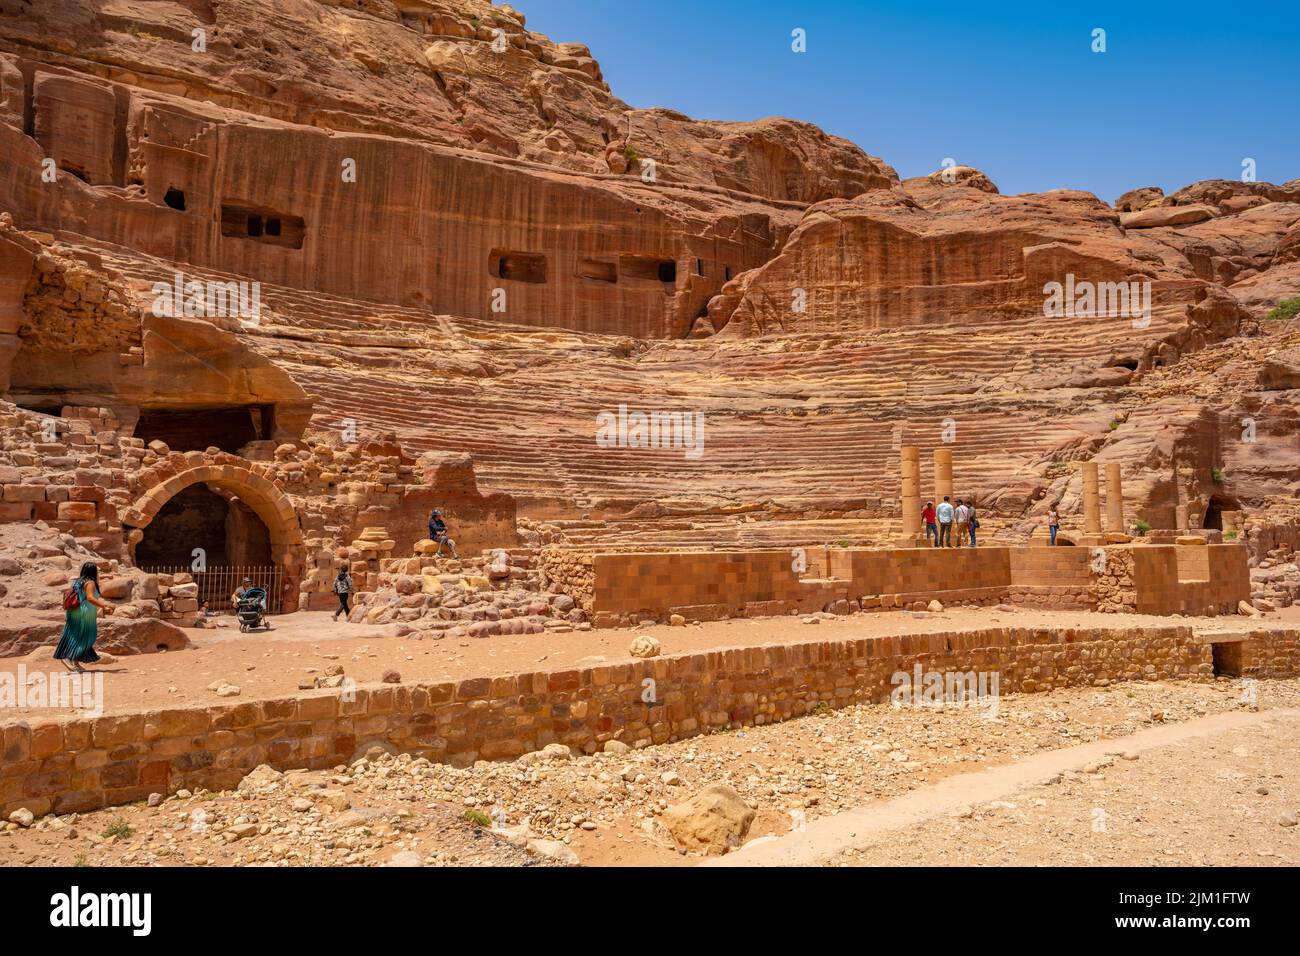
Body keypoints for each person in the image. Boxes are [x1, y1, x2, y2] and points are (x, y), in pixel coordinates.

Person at [54, 562, 114, 672]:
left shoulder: (78, 581)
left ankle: (75, 663)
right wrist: (104, 606)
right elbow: (90, 598)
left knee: (76, 636)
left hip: (74, 612)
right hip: (84, 613)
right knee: (88, 637)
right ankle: (68, 658)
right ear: (93, 571)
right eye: (97, 571)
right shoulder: (90, 582)